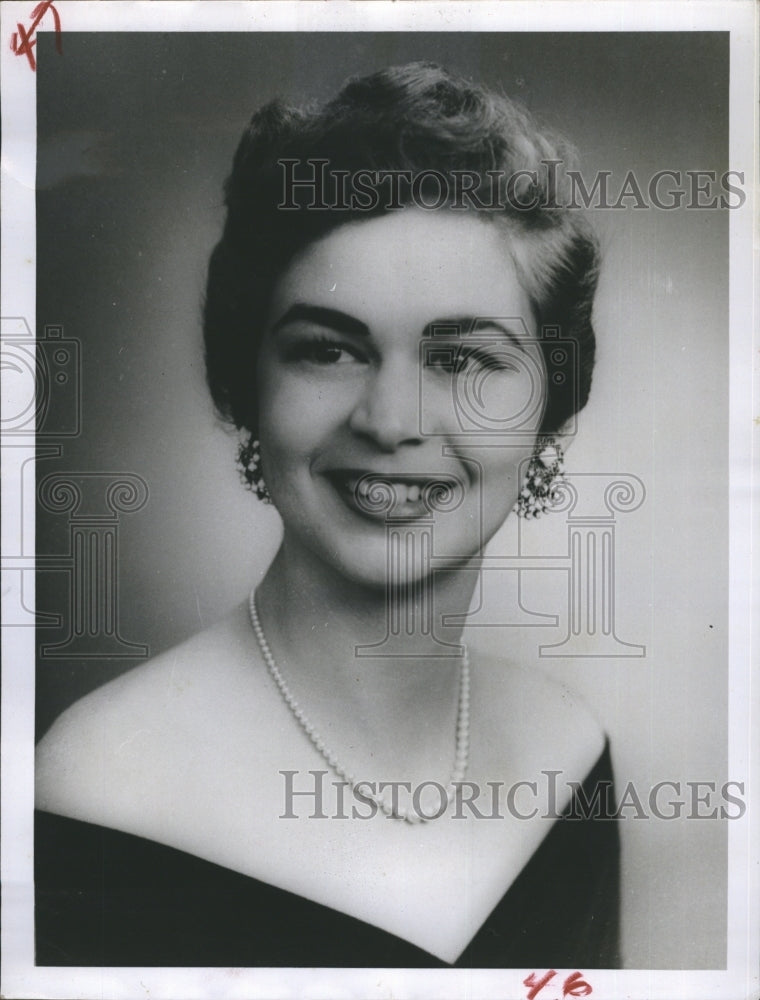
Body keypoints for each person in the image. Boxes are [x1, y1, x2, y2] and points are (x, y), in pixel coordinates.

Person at [34, 62, 620, 968]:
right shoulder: (99, 790)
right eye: (329, 350)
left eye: (462, 360)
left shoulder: (569, 751)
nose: (389, 422)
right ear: (245, 386)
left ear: (551, 406)